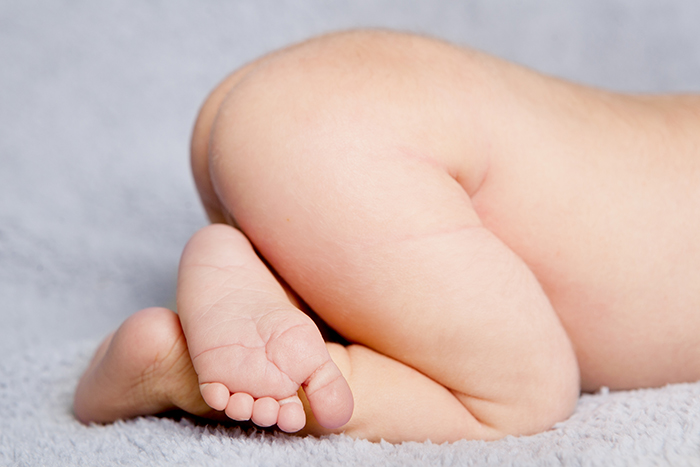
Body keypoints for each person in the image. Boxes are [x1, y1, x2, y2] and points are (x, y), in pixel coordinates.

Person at [73, 29, 700, 443]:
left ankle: (255, 270)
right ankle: (225, 372)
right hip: (375, 156)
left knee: (373, 283)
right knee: (525, 397)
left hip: (316, 91)